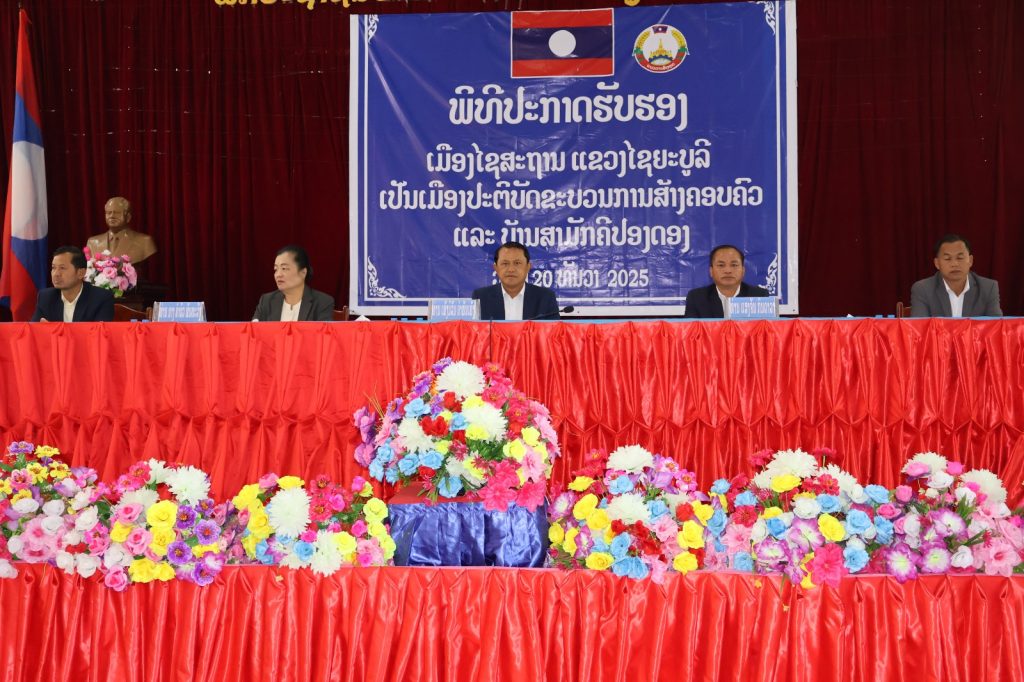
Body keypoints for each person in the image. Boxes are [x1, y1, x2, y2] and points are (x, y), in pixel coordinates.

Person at [910, 234, 1001, 317]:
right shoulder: (923, 289)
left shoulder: (988, 288)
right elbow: (920, 328)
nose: (954, 264)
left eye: (960, 258)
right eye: (947, 259)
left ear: (970, 260)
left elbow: (995, 326)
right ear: (937, 263)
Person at [472, 241, 559, 320]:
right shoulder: (481, 297)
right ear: (496, 268)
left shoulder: (545, 298)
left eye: (517, 263)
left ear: (528, 267)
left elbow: (553, 331)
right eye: (505, 263)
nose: (511, 269)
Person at [31, 246, 115, 322]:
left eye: (62, 268)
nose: (56, 274)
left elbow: (98, 333)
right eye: (53, 268)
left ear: (81, 273)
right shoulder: (46, 297)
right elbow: (33, 330)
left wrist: (53, 330)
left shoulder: (101, 298)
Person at [684, 244, 770, 318]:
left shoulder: (759, 296)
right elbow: (692, 331)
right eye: (721, 265)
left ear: (743, 270)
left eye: (734, 265)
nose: (728, 270)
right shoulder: (697, 298)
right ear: (711, 271)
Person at [252, 245, 335, 321]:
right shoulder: (266, 301)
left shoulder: (322, 302)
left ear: (303, 272)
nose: (278, 274)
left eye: (284, 268)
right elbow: (254, 329)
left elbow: (322, 332)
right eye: (276, 269)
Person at [85, 197, 157, 266]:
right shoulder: (92, 242)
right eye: (109, 213)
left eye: (117, 213)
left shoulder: (144, 242)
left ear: (128, 217)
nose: (112, 216)